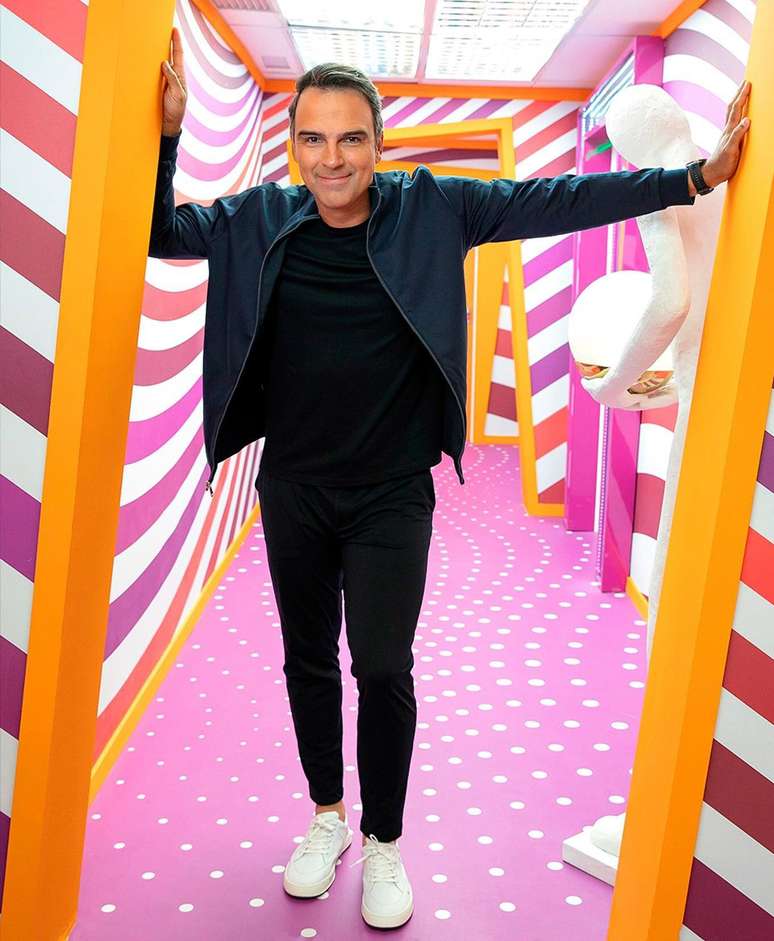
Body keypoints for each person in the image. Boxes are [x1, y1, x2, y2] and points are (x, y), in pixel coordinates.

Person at [151, 27, 750, 930]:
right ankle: (327, 817)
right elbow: (159, 231)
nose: (331, 158)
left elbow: (554, 198)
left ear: (378, 142)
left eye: (351, 138)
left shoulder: (432, 209)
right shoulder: (258, 219)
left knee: (381, 664)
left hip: (393, 491)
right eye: (313, 138)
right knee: (307, 659)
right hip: (295, 488)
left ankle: (384, 839)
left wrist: (693, 178)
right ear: (294, 145)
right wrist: (167, 136)